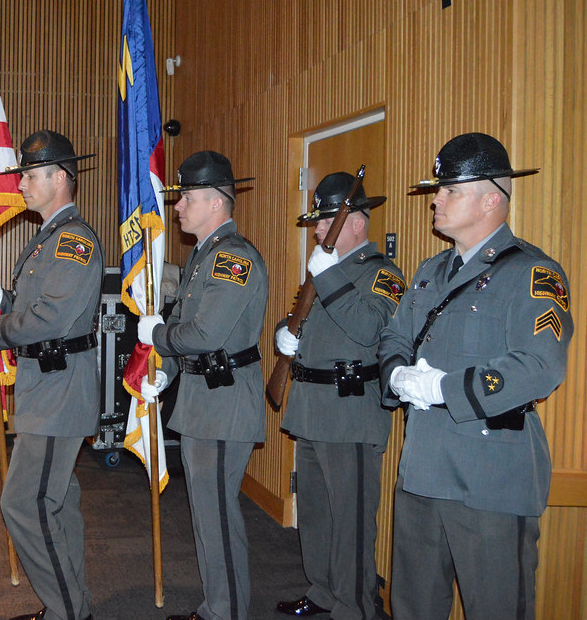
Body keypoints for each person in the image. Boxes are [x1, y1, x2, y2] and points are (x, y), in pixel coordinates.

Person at [378, 132, 573, 620]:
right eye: (439, 190)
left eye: (450, 191)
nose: (436, 201)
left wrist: (441, 389)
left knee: (496, 608)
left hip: (491, 476)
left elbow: (539, 366)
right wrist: (397, 375)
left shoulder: (532, 274)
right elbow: (394, 338)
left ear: (491, 199)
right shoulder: (428, 272)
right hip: (423, 469)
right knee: (413, 607)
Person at [0, 129, 103, 620]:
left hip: (58, 391)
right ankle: (71, 605)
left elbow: (51, 318)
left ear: (60, 177)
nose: (21, 184)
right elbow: (37, 307)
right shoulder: (47, 237)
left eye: (29, 174)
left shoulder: (73, 240)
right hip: (43, 388)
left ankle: (67, 612)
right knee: (56, 503)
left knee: (24, 504)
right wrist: (2, 303)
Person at [137, 150, 268, 620]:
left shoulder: (232, 258)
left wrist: (156, 336)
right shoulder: (202, 255)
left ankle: (227, 611)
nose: (178, 207)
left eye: (186, 197)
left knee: (216, 517)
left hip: (224, 402)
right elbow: (185, 323)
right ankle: (217, 605)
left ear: (216, 202)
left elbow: (205, 335)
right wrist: (163, 372)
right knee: (206, 516)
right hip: (201, 400)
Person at [273, 173, 405, 620]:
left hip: (349, 413)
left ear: (356, 222)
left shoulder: (383, 273)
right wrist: (289, 335)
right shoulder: (324, 270)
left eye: (326, 220)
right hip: (310, 407)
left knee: (350, 524)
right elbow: (308, 321)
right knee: (314, 516)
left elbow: (369, 327)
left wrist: (326, 277)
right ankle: (324, 592)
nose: (317, 230)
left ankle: (355, 607)